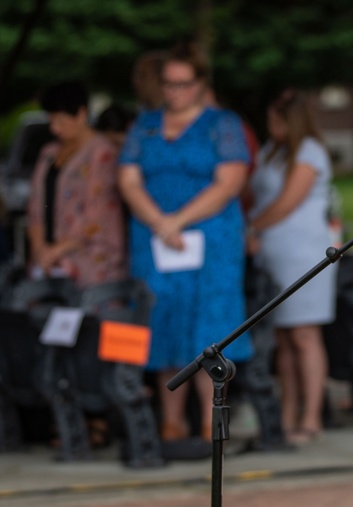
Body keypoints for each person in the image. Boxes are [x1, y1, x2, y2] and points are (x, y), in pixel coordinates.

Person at [118, 40, 253, 442]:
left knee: (208, 330)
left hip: (211, 241)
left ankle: (211, 426)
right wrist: (160, 222)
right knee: (162, 320)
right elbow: (128, 179)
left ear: (199, 83)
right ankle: (170, 422)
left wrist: (178, 220)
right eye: (169, 84)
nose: (175, 91)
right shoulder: (143, 126)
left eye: (183, 83)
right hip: (154, 241)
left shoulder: (222, 124)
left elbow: (230, 181)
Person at [247, 89, 335, 445]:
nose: (270, 126)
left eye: (275, 120)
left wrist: (253, 227)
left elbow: (287, 202)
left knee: (305, 335)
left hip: (304, 254)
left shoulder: (310, 152)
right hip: (274, 254)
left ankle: (311, 417)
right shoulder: (271, 152)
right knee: (282, 338)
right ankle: (286, 414)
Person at [26, 82, 126, 288]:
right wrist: (40, 248)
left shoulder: (101, 153)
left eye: (61, 121)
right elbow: (36, 204)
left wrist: (57, 250)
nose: (55, 128)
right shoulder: (48, 153)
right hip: (47, 261)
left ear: (81, 114)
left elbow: (97, 214)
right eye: (51, 121)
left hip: (89, 261)